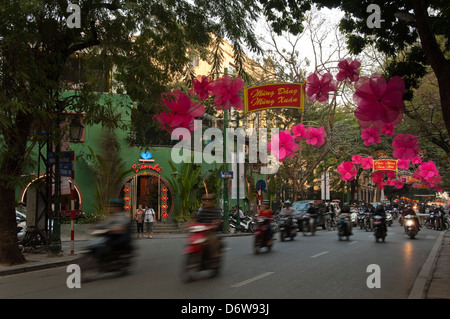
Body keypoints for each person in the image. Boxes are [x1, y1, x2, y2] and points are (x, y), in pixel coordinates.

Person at [194, 194, 223, 258]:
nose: (207, 202)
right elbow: (196, 218)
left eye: (209, 201)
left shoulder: (216, 211)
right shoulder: (202, 211)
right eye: (206, 201)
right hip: (202, 231)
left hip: (211, 231)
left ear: (212, 202)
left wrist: (214, 225)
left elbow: (218, 220)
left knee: (212, 240)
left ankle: (214, 255)